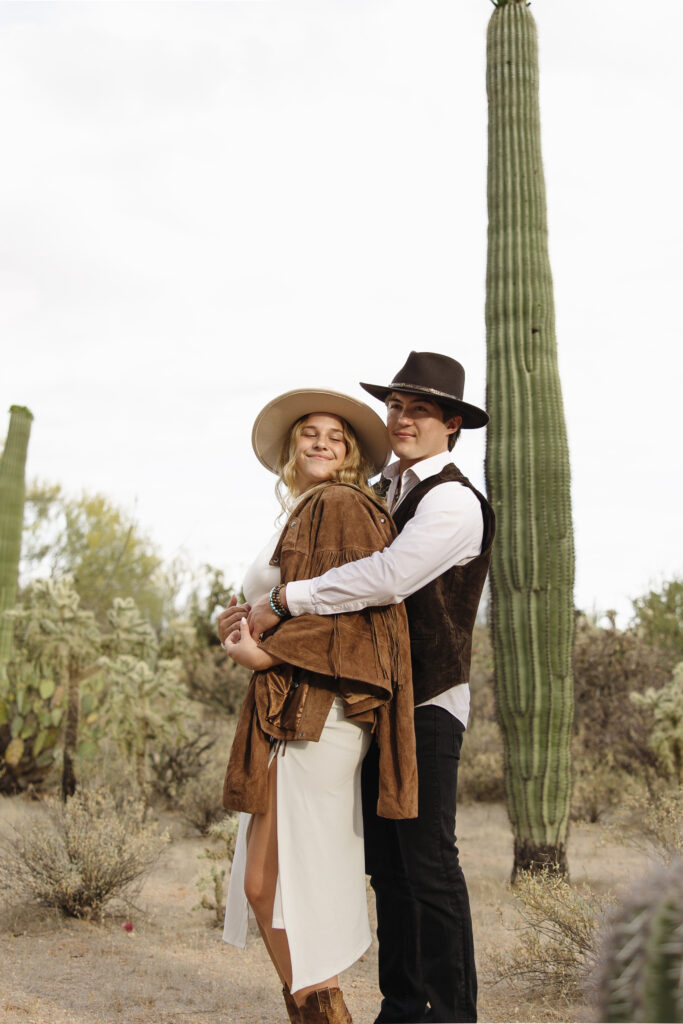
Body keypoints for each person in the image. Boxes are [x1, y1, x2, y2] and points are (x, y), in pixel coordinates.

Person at [220, 352, 495, 1024]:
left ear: (451, 423)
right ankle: (403, 1007)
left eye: (419, 410)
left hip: (426, 701)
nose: (401, 419)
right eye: (396, 406)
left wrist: (283, 604)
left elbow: (387, 578)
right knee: (390, 869)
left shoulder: (452, 499)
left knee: (426, 862)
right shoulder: (384, 490)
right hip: (374, 703)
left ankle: (448, 1014)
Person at [220, 387, 417, 1024]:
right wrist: (239, 625)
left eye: (336, 435)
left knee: (288, 882)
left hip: (319, 713)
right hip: (288, 709)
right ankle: (316, 1013)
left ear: (352, 451)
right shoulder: (301, 510)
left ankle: (324, 1010)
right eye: (311, 432)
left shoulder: (341, 503)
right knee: (263, 886)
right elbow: (290, 602)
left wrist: (267, 654)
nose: (323, 442)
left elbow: (361, 615)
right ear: (292, 446)